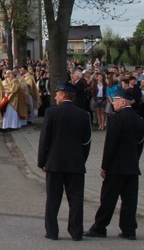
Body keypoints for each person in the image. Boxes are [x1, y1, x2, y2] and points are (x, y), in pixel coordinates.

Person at [84, 88, 144, 240]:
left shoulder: (117, 119)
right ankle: (129, 229)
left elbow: (110, 145)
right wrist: (135, 159)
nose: (113, 103)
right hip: (131, 167)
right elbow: (140, 143)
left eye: (116, 100)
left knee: (108, 199)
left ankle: (100, 227)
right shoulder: (138, 119)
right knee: (130, 200)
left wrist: (105, 166)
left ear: (123, 102)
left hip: (116, 167)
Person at [37, 81, 92, 241]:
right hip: (76, 163)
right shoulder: (83, 115)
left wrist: (42, 161)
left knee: (53, 199)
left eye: (57, 94)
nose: (55, 96)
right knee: (76, 199)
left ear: (62, 95)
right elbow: (86, 142)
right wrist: (81, 159)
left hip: (55, 163)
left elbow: (44, 140)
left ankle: (52, 231)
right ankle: (76, 232)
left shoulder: (51, 113)